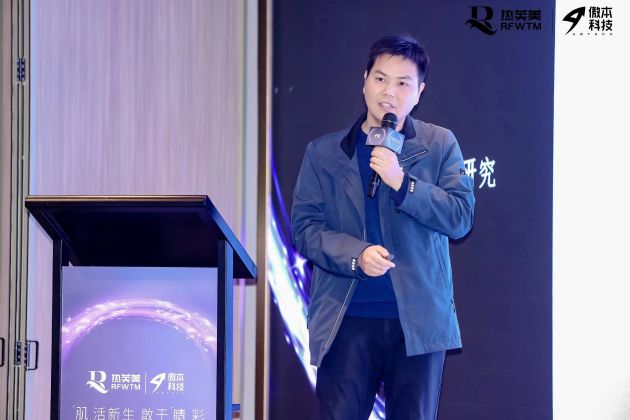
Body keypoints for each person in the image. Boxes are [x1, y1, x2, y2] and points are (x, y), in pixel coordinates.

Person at [291, 35, 475, 420]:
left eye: (403, 83)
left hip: (418, 322)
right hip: (346, 317)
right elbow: (305, 229)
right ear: (364, 81)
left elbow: (459, 217)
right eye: (380, 79)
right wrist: (356, 255)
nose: (389, 92)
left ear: (419, 92)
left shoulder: (440, 144)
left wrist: (403, 183)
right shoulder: (323, 153)